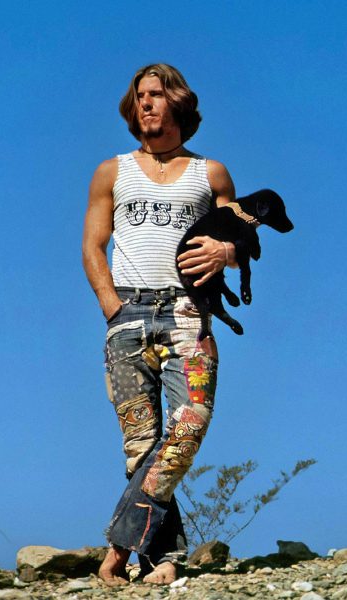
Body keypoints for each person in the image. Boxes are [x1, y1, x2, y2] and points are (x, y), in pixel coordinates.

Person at [82, 63, 237, 586]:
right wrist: (112, 305)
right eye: (140, 96)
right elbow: (92, 246)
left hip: (189, 315)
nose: (146, 103)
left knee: (187, 427)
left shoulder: (209, 173)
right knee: (141, 446)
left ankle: (117, 548)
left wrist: (227, 248)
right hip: (127, 315)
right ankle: (162, 558)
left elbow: (243, 239)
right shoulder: (112, 171)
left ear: (178, 104)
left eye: (157, 95)